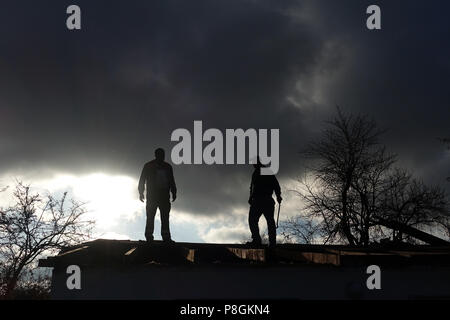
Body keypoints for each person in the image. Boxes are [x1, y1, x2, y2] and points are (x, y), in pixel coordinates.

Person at [138, 148, 177, 243]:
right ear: (156, 155)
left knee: (164, 217)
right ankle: (149, 236)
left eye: (162, 155)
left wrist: (174, 191)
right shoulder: (148, 166)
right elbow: (142, 179)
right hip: (153, 196)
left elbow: (171, 180)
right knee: (151, 216)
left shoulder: (167, 167)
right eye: (160, 155)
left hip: (163, 196)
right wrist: (141, 192)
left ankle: (166, 237)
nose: (162, 157)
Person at [247, 158, 282, 247]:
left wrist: (278, 195)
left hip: (263, 199)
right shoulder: (256, 173)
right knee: (255, 220)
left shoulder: (264, 171)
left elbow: (275, 184)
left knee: (267, 221)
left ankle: (269, 242)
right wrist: (251, 197)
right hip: (260, 200)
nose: (253, 165)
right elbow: (253, 187)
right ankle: (259, 240)